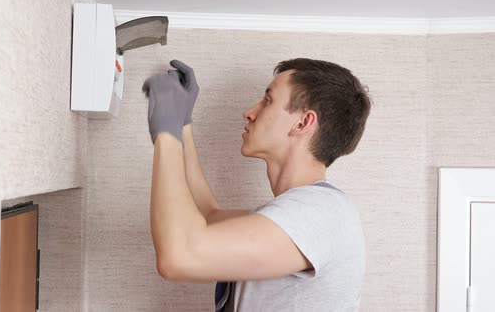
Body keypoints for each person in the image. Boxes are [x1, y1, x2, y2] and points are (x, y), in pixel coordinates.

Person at [142, 58, 372, 312]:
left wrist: (166, 134)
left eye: (268, 100)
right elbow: (206, 216)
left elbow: (179, 255)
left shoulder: (321, 212)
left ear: (303, 123)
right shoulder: (307, 213)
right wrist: (182, 124)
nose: (250, 112)